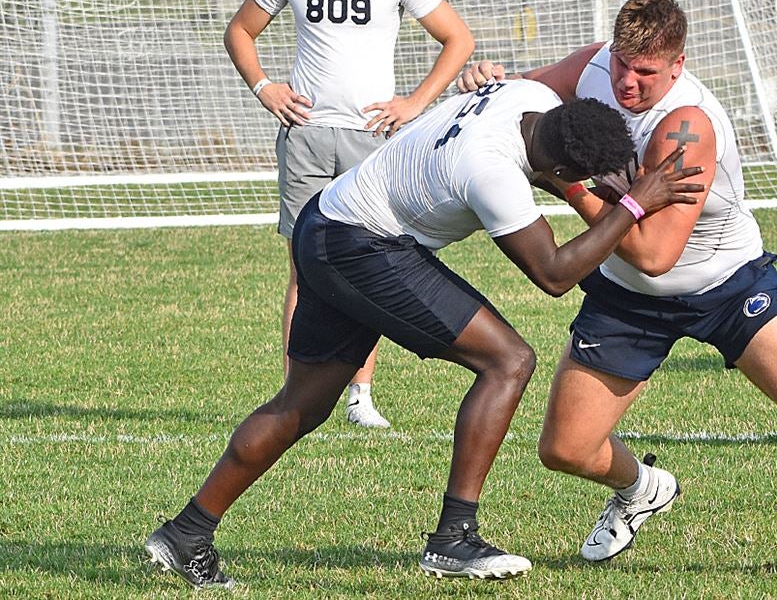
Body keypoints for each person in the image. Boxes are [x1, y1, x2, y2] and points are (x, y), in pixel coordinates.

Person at [458, 0, 777, 584]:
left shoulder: (687, 126)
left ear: (677, 65)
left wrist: (566, 184)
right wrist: (488, 78)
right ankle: (641, 488)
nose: (627, 82)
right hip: (626, 297)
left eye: (645, 71)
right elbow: (524, 100)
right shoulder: (592, 66)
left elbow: (654, 255)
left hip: (726, 285)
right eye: (621, 63)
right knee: (564, 449)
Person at [144, 80, 703, 588]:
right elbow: (554, 275)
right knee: (508, 361)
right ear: (564, 170)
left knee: (302, 405)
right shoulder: (490, 170)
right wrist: (633, 204)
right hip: (362, 246)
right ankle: (453, 539)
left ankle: (186, 533)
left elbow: (546, 165)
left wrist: (604, 189)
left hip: (330, 219)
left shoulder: (527, 97)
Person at [224, 0, 476, 427]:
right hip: (306, 135)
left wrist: (415, 104)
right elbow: (240, 30)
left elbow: (459, 38)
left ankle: (360, 396)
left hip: (372, 138)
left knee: (367, 265)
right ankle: (294, 397)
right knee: (304, 270)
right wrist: (264, 87)